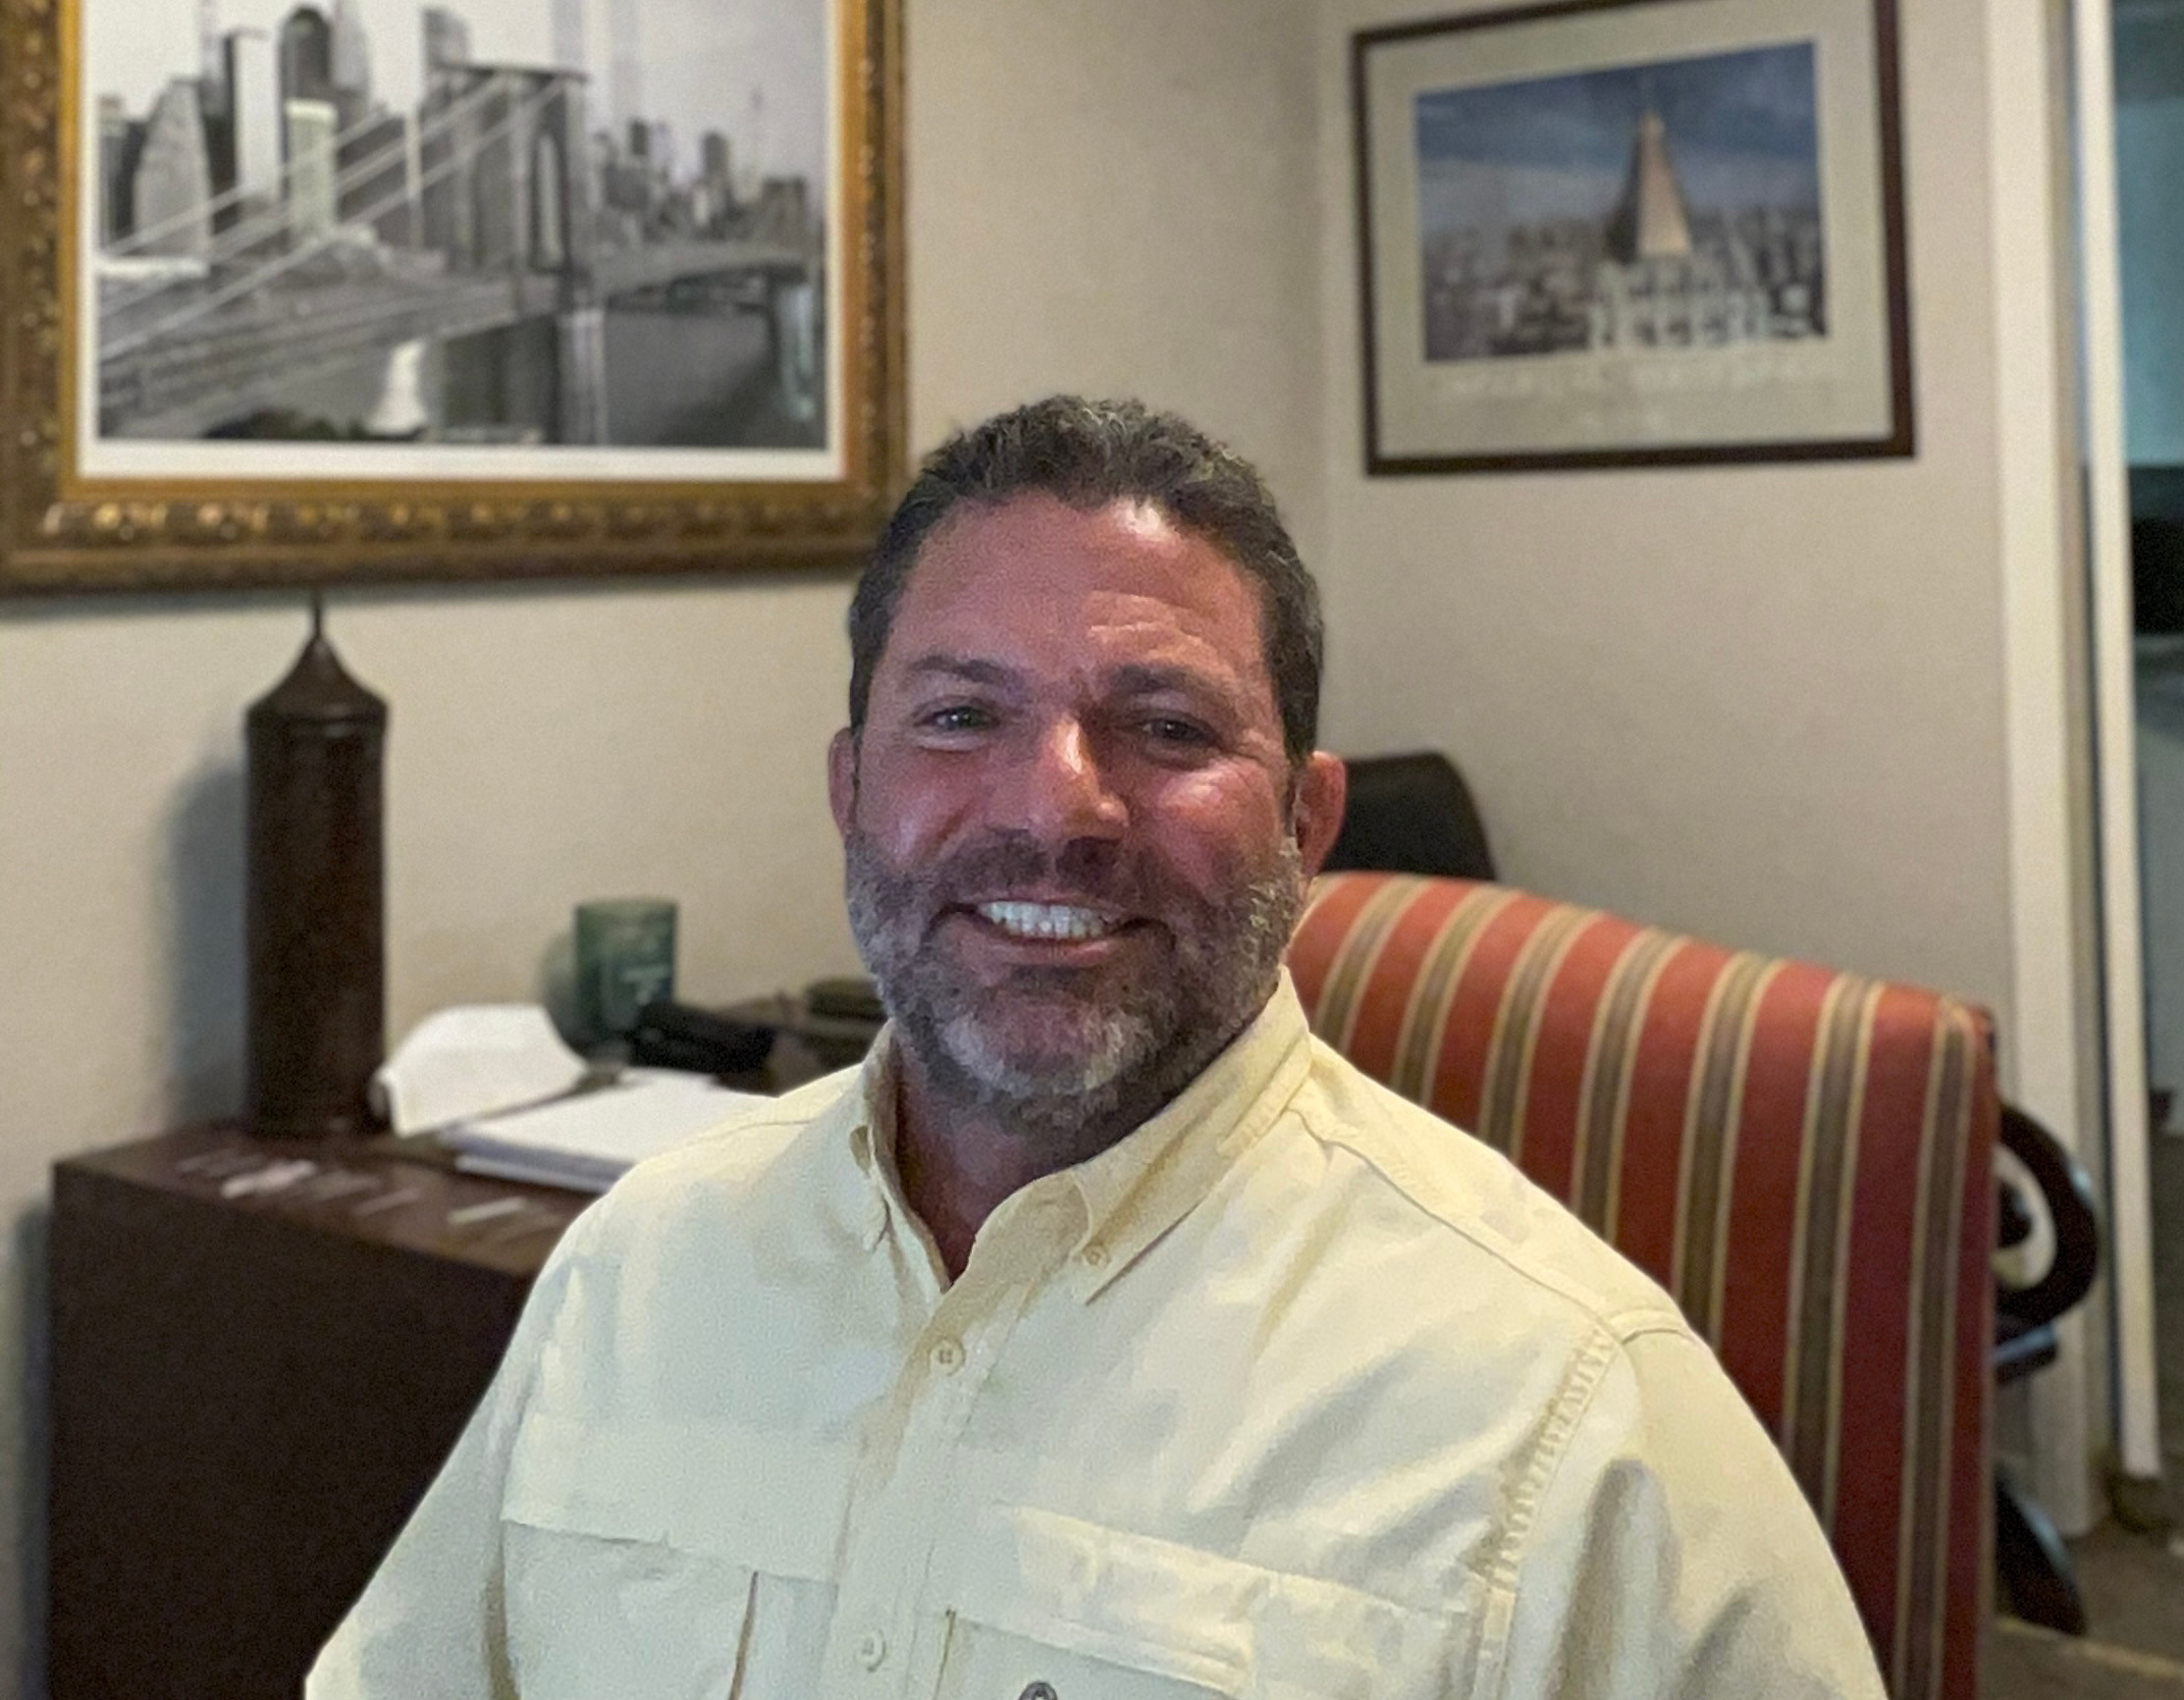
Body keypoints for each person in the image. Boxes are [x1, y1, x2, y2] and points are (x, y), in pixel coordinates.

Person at [308, 397, 1887, 1699]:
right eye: (956, 719)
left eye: (1168, 727)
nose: (1049, 806)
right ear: (852, 787)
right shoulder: (641, 1270)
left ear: (1304, 820)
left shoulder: (1571, 1420)